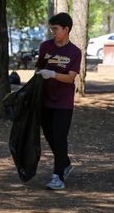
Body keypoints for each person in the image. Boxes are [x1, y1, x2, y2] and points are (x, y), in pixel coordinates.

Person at [34, 12, 81, 190]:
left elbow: (70, 78)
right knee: (50, 137)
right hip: (45, 101)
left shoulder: (74, 52)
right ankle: (66, 163)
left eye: (55, 29)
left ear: (66, 29)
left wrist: (52, 74)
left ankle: (57, 177)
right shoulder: (45, 47)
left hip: (63, 103)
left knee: (60, 138)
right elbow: (39, 66)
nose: (53, 32)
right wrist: (38, 77)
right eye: (51, 29)